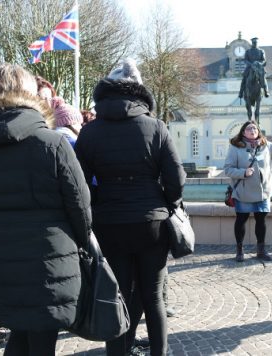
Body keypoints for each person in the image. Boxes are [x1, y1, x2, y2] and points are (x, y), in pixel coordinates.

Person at [0, 64, 91, 356]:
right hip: (51, 255)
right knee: (41, 340)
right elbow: (81, 207)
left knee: (20, 333)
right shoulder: (54, 142)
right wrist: (79, 244)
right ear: (30, 95)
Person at [75, 58, 185, 356]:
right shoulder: (156, 127)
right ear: (140, 92)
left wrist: (99, 204)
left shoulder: (90, 132)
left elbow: (80, 185)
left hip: (110, 222)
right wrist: (166, 202)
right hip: (152, 220)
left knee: (117, 295)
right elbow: (176, 178)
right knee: (153, 298)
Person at [223, 121, 272, 262]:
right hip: (244, 192)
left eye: (255, 128)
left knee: (261, 220)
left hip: (263, 191)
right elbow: (228, 169)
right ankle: (239, 251)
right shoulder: (235, 148)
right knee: (241, 220)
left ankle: (261, 251)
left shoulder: (265, 145)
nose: (253, 130)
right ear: (243, 132)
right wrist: (243, 172)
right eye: (249, 128)